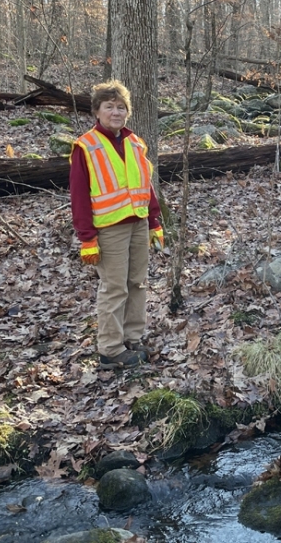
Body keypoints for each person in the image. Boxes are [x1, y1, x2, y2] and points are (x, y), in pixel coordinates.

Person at [69, 79, 164, 369]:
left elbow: (145, 186)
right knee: (114, 288)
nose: (116, 112)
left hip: (138, 223)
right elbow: (79, 195)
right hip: (109, 229)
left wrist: (154, 221)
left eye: (121, 107)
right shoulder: (85, 147)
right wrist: (87, 238)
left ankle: (132, 338)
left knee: (137, 283)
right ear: (97, 111)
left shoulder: (135, 143)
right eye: (109, 107)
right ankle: (110, 349)